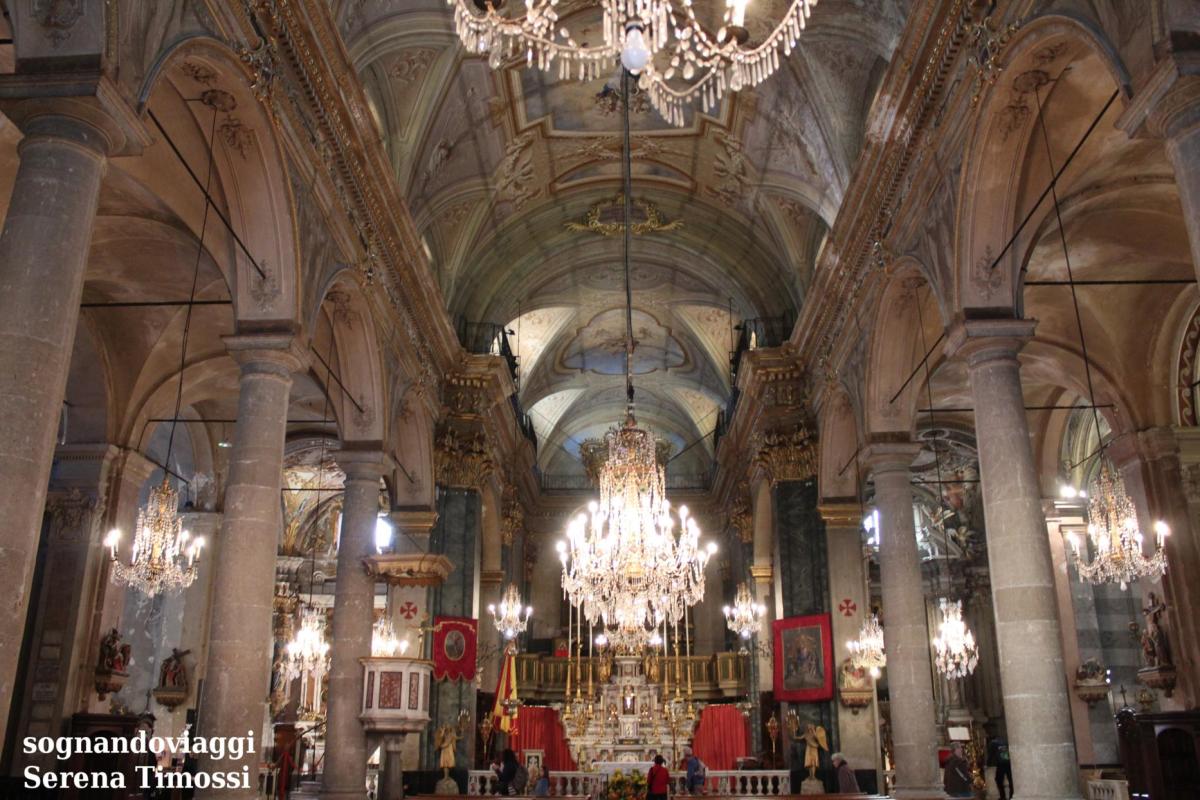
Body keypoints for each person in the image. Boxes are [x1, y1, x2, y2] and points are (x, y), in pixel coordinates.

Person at [987, 736, 1012, 800]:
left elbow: (990, 755)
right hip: (1009, 763)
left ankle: (1003, 797)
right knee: (1011, 780)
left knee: (998, 780)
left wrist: (988, 763)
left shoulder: (992, 743)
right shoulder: (1005, 742)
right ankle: (1011, 796)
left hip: (1001, 764)